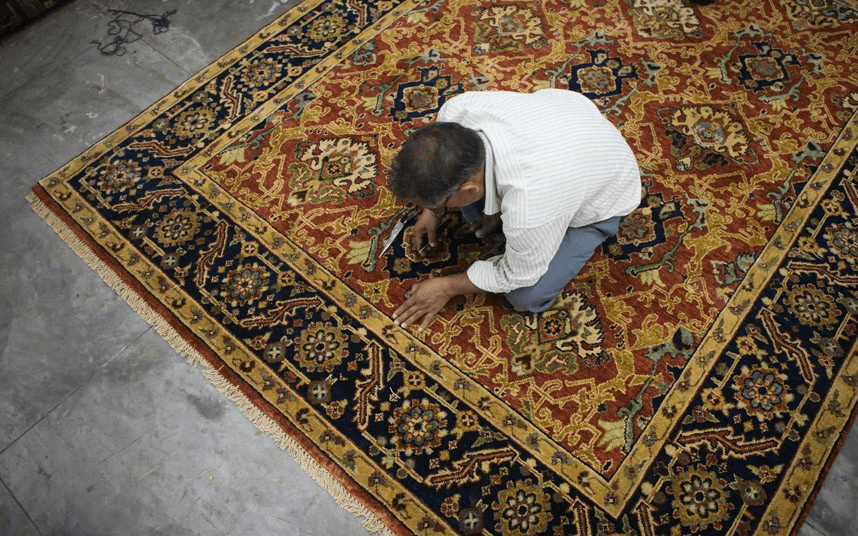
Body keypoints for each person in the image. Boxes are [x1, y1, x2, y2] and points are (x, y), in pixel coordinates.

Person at [387, 88, 641, 331]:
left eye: (434, 203)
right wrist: (433, 211)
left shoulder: (531, 205)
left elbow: (520, 275)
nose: (431, 209)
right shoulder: (456, 111)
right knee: (479, 217)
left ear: (470, 189)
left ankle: (589, 230)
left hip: (605, 193)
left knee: (526, 295)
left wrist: (446, 286)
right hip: (568, 119)